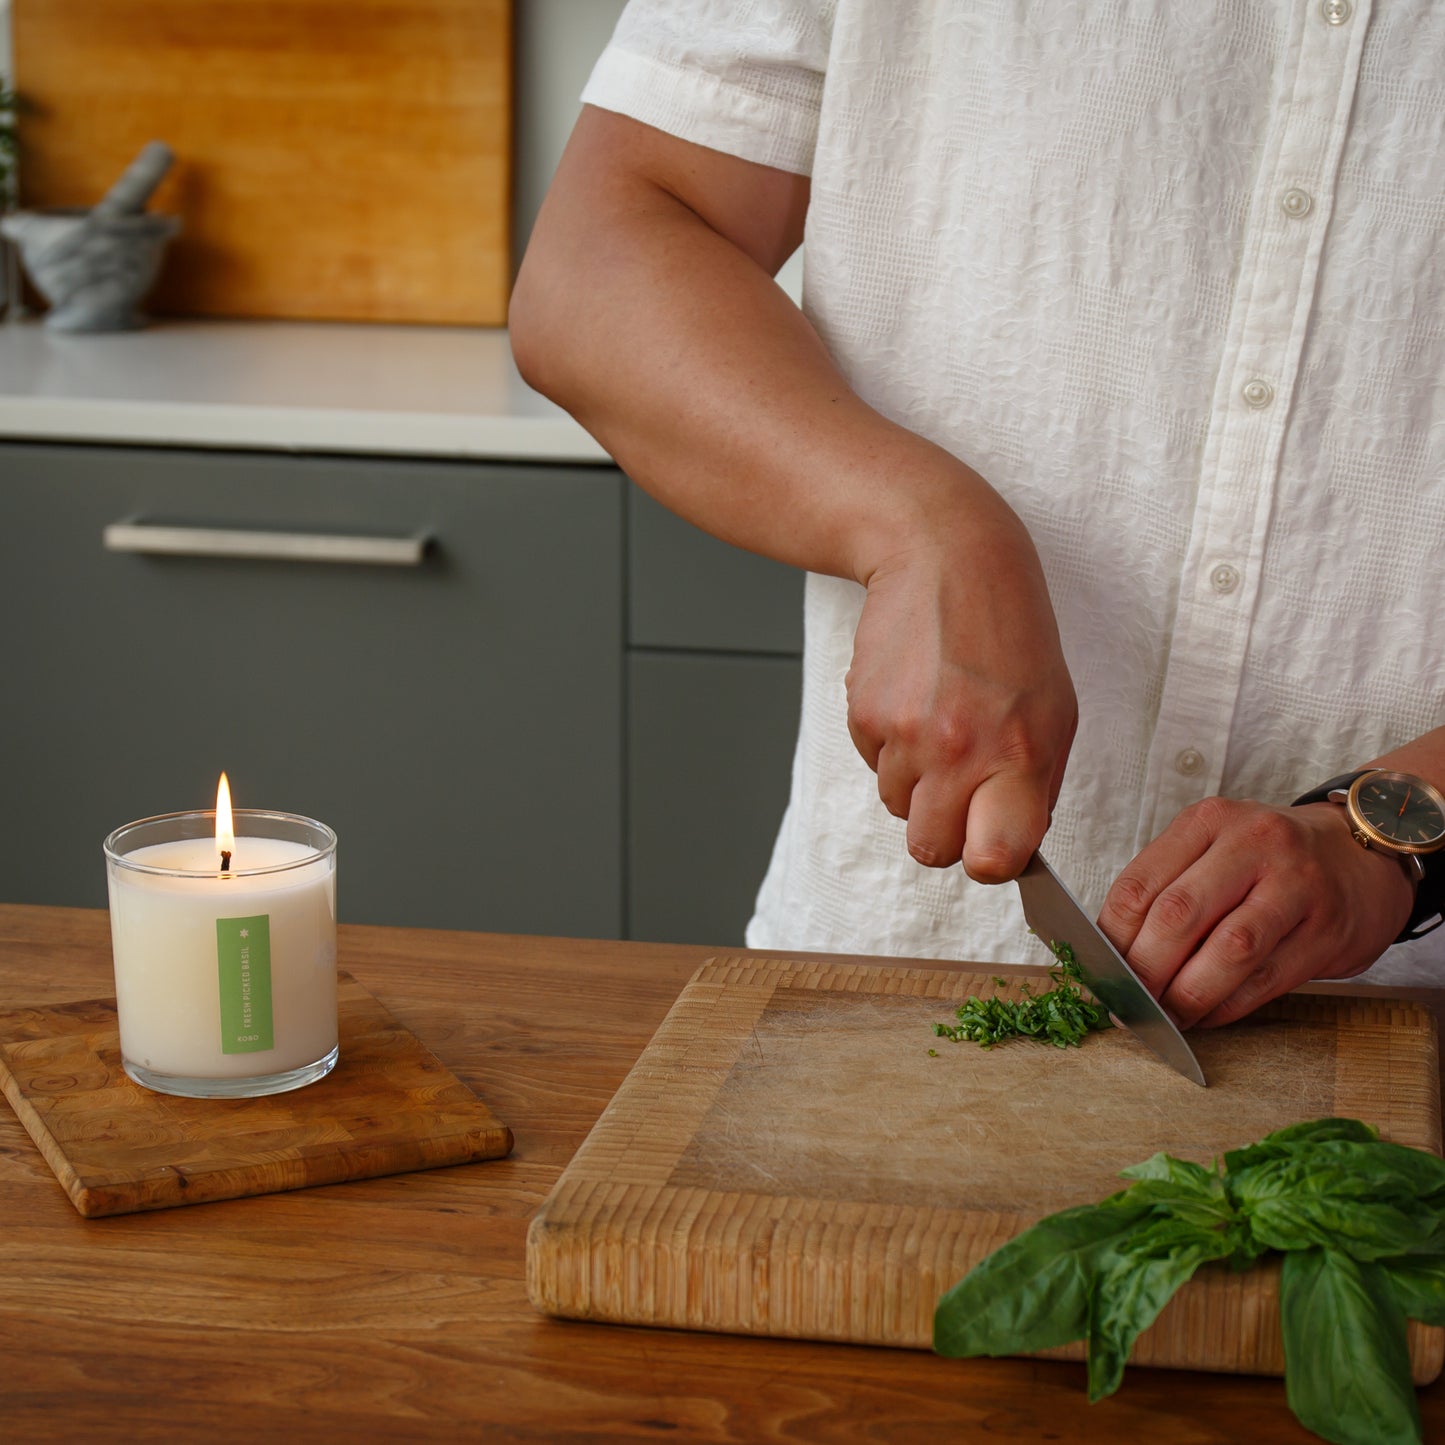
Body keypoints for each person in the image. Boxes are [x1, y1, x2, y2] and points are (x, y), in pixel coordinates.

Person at [511, 1, 1445, 1029]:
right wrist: (917, 525)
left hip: (1401, 1025)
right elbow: (600, 256)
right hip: (886, 986)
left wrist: (1396, 829)